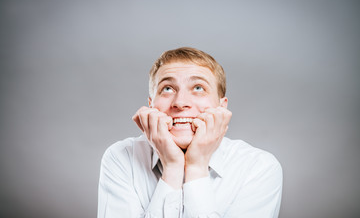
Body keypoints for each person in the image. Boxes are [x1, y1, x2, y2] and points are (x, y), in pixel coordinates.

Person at [97, 47, 283, 218]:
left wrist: (196, 166)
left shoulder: (258, 168)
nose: (180, 102)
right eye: (167, 89)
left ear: (221, 106)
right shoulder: (121, 157)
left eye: (198, 88)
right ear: (151, 105)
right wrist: (172, 167)